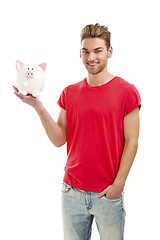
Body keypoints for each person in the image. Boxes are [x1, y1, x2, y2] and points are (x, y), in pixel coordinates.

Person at [13, 23, 141, 240]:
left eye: (98, 51)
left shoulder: (127, 92)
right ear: (80, 53)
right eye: (86, 51)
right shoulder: (70, 93)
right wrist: (38, 107)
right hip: (71, 192)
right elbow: (59, 139)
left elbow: (132, 142)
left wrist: (118, 185)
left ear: (109, 52)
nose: (91, 57)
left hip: (107, 194)